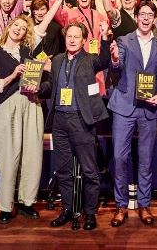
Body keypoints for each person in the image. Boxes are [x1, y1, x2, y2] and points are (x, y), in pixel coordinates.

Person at [0, 0, 66, 224]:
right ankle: (5, 205)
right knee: (8, 155)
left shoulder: (28, 49)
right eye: (16, 26)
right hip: (8, 105)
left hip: (31, 103)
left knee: (32, 154)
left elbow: (44, 25)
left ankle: (26, 202)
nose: (19, 30)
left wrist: (58, 1)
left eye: (23, 28)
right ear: (9, 27)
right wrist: (12, 75)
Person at [42, 20, 114, 231]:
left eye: (76, 37)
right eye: (69, 36)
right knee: (63, 170)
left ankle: (89, 213)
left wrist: (105, 38)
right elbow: (51, 86)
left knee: (90, 171)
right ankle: (67, 209)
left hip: (81, 120)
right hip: (59, 120)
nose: (72, 40)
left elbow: (105, 60)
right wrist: (35, 87)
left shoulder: (90, 60)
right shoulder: (56, 60)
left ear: (83, 41)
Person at [108, 1, 157, 227]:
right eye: (142, 14)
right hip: (124, 106)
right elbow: (116, 67)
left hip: (149, 109)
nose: (145, 18)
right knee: (119, 157)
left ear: (154, 18)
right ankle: (121, 205)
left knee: (146, 159)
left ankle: (144, 204)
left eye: (150, 15)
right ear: (136, 17)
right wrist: (115, 58)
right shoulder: (124, 41)